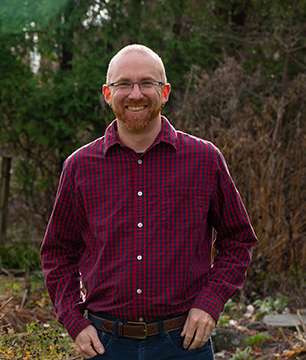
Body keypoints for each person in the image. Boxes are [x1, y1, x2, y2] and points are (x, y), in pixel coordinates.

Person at [40, 44, 257, 360]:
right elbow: (58, 252)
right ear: (107, 93)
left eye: (147, 83)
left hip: (183, 344)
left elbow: (238, 240)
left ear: (165, 91)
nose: (135, 93)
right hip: (105, 345)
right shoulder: (80, 166)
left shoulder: (204, 159)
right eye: (124, 84)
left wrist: (210, 304)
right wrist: (74, 320)